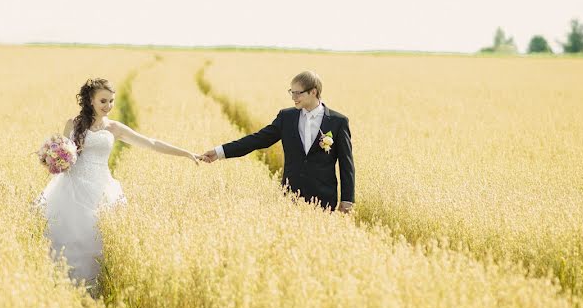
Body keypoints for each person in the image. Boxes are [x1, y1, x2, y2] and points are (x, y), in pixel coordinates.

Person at [36, 78, 199, 290]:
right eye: (103, 101)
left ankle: (96, 289)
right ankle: (65, 288)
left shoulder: (114, 128)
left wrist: (187, 153)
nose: (108, 106)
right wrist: (54, 159)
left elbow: (150, 143)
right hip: (71, 189)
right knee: (69, 237)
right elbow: (64, 157)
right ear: (90, 101)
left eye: (112, 101)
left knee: (97, 238)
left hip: (101, 188)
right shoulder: (72, 124)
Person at [200, 71, 354, 212]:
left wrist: (347, 200)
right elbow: (258, 139)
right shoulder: (286, 117)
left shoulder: (338, 122)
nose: (293, 98)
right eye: (291, 92)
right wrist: (219, 152)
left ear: (313, 92)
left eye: (297, 93)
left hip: (324, 200)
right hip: (290, 198)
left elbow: (346, 164)